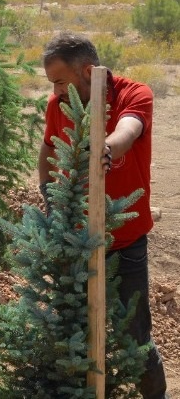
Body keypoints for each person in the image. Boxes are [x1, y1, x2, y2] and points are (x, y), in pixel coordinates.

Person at [38, 33, 168, 399]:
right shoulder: (57, 104)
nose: (57, 91)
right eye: (52, 84)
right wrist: (51, 198)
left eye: (61, 81)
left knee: (134, 338)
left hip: (126, 240)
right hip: (75, 240)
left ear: (88, 71)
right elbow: (48, 149)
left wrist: (106, 147)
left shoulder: (134, 93)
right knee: (72, 330)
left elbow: (130, 129)